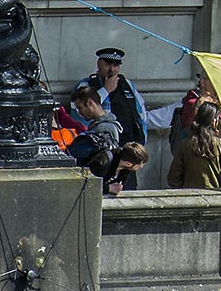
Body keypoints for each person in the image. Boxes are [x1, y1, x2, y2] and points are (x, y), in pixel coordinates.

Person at [75, 48, 176, 189]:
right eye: (108, 64)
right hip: (103, 156)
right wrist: (106, 90)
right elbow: (80, 115)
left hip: (127, 155)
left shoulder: (127, 84)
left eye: (116, 65)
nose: (112, 70)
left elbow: (141, 115)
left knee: (129, 191)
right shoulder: (86, 85)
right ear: (99, 64)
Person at [168, 102, 221, 190]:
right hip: (217, 199)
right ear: (214, 122)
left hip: (189, 198)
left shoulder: (185, 145)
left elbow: (173, 179)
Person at [64, 85, 123, 169]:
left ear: (90, 103)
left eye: (80, 108)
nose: (79, 113)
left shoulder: (104, 128)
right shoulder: (98, 125)